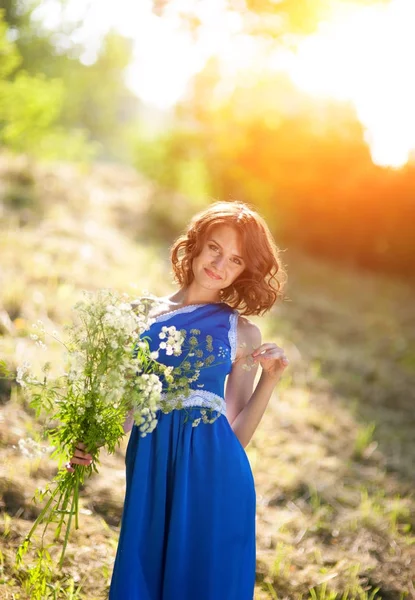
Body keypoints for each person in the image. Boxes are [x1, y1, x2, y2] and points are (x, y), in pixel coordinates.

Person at [68, 201, 289, 600]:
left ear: (244, 271)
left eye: (235, 260)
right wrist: (94, 440)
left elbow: (236, 434)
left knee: (201, 581)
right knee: (146, 570)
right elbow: (131, 404)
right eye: (215, 249)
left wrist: (268, 383)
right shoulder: (143, 317)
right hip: (152, 459)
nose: (220, 264)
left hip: (215, 473)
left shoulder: (242, 332)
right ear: (196, 245)